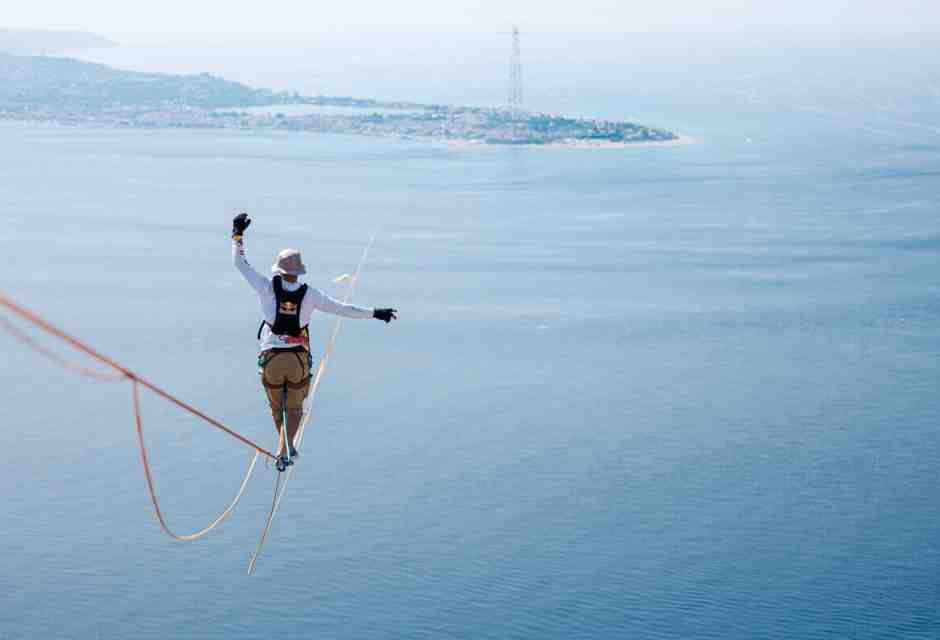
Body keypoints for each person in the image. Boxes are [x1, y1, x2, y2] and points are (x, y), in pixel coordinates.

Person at [231, 212, 397, 470]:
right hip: (296, 359)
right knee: (295, 409)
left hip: (271, 359)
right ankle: (288, 448)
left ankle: (284, 447)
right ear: (298, 273)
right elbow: (344, 309)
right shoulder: (311, 295)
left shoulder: (265, 287)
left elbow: (240, 264)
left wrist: (238, 235)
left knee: (277, 409)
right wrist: (376, 313)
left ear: (279, 270)